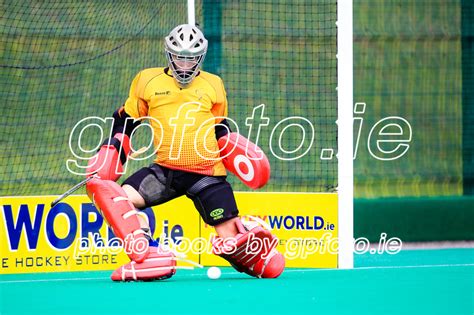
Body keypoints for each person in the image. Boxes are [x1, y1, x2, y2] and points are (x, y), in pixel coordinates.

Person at [85, 24, 284, 281]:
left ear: (200, 57)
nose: (185, 64)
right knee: (117, 200)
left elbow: (219, 126)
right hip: (164, 172)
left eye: (192, 59)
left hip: (207, 174)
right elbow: (126, 118)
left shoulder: (214, 84)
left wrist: (234, 147)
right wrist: (113, 148)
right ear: (169, 54)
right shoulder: (147, 79)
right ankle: (147, 256)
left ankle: (248, 242)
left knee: (236, 246)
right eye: (180, 57)